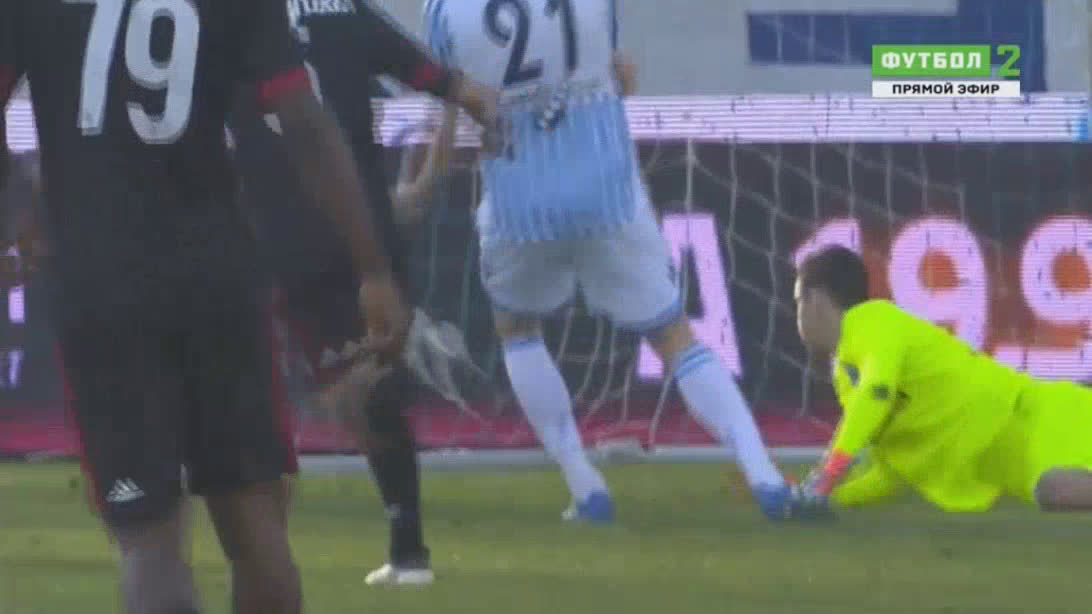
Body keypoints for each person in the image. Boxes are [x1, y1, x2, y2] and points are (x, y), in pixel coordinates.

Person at [0, 0, 411, 612]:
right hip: (217, 276)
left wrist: (20, 210)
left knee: (149, 540)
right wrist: (372, 269)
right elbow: (302, 121)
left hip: (101, 282)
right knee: (257, 530)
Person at [421, 0, 791, 523]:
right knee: (673, 337)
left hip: (519, 199)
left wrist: (424, 182)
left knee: (517, 330)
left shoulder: (443, 9)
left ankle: (584, 484)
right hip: (606, 188)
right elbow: (621, 74)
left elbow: (449, 105)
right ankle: (764, 474)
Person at [229, 1, 480, 582]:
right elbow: (434, 76)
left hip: (287, 232)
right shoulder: (347, 9)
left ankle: (264, 549)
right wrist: (478, 105)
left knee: (329, 389)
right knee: (367, 385)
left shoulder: (228, 17)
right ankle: (407, 546)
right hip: (367, 227)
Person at [790, 245, 1092, 516]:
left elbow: (877, 392)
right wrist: (827, 499)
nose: (798, 316)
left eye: (797, 301)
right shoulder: (848, 374)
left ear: (814, 298)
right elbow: (892, 473)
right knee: (1054, 491)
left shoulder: (874, 321)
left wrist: (826, 476)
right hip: (1020, 450)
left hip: (1041, 417)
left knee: (1056, 489)